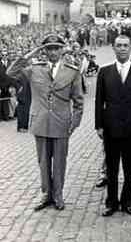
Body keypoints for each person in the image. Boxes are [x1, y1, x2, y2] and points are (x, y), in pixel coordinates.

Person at [6, 33, 84, 211]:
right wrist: (31, 54)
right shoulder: (34, 69)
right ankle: (46, 194)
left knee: (59, 161)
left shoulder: (72, 71)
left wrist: (74, 124)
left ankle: (58, 195)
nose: (53, 52)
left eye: (57, 48)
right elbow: (10, 73)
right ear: (44, 50)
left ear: (62, 50)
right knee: (43, 161)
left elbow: (79, 102)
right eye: (49, 49)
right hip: (40, 121)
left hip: (61, 123)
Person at [95, 35, 131, 217]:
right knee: (111, 169)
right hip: (110, 128)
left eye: (125, 45)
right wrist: (99, 125)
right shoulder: (104, 72)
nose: (122, 49)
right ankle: (111, 202)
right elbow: (99, 101)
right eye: (118, 45)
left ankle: (127, 201)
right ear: (113, 48)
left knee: (130, 168)